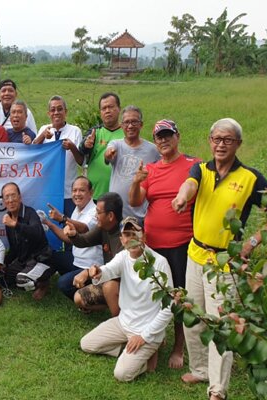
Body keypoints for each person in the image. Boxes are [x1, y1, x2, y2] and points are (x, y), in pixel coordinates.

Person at [171, 118, 267, 400]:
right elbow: (189, 185)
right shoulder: (201, 170)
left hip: (225, 261)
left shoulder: (250, 178)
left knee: (221, 324)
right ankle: (200, 369)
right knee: (193, 316)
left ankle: (218, 388)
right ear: (209, 141)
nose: (221, 144)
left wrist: (253, 241)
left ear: (238, 144)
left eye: (227, 140)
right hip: (196, 254)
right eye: (216, 139)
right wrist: (182, 197)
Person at [128, 119, 200, 369]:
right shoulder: (151, 169)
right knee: (153, 294)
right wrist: (137, 181)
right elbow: (136, 202)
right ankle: (153, 342)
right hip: (153, 245)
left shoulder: (194, 166)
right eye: (159, 137)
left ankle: (179, 346)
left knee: (178, 295)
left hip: (181, 244)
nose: (163, 140)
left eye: (168, 135)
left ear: (177, 136)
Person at [80, 217, 174, 382]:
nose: (131, 239)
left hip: (146, 329)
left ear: (143, 236)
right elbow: (108, 270)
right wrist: (96, 272)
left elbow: (168, 307)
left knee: (122, 374)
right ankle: (132, 350)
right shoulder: (123, 257)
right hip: (124, 322)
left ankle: (149, 348)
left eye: (134, 233)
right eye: (126, 235)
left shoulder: (159, 262)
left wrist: (144, 336)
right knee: (86, 344)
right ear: (122, 240)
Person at [43, 176, 103, 299]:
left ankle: (90, 296)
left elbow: (84, 228)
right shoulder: (77, 209)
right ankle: (43, 285)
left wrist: (62, 218)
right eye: (74, 190)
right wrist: (48, 224)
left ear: (91, 193)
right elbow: (68, 239)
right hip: (76, 260)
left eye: (81, 190)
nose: (77, 194)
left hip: (91, 267)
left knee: (62, 283)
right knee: (52, 256)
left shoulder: (95, 211)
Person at [65, 192, 124, 315]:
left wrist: (87, 272)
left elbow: (119, 270)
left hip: (126, 284)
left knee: (110, 286)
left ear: (111, 216)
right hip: (107, 277)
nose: (95, 215)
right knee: (79, 298)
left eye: (98, 212)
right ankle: (117, 306)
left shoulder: (125, 234)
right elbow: (84, 240)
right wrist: (74, 235)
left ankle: (120, 321)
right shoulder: (103, 228)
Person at [105, 105, 160, 221]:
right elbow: (108, 154)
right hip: (115, 215)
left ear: (141, 124)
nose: (130, 126)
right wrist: (109, 154)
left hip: (139, 216)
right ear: (121, 125)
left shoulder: (153, 150)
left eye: (134, 122)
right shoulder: (116, 144)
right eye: (126, 122)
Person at [34, 95, 84, 219]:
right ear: (48, 113)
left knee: (69, 226)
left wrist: (72, 147)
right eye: (53, 110)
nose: (56, 112)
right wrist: (42, 137)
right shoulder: (43, 129)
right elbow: (33, 152)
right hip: (48, 191)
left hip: (68, 192)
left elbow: (82, 162)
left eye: (60, 109)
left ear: (65, 112)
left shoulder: (75, 131)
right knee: (49, 226)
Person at [0, 182, 53, 300]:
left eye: (13, 195)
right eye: (7, 197)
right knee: (3, 280)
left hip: (40, 258)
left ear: (19, 197)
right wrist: (4, 263)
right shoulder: (8, 219)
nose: (10, 200)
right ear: (4, 202)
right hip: (23, 261)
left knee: (22, 280)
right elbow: (14, 248)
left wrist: (15, 225)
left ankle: (43, 283)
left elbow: (37, 233)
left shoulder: (30, 213)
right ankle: (31, 276)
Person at [82, 92, 124, 200]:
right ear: (100, 112)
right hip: (95, 196)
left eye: (111, 107)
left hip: (120, 198)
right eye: (104, 108)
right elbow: (81, 151)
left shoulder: (127, 133)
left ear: (119, 108)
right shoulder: (94, 132)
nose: (107, 111)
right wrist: (86, 145)